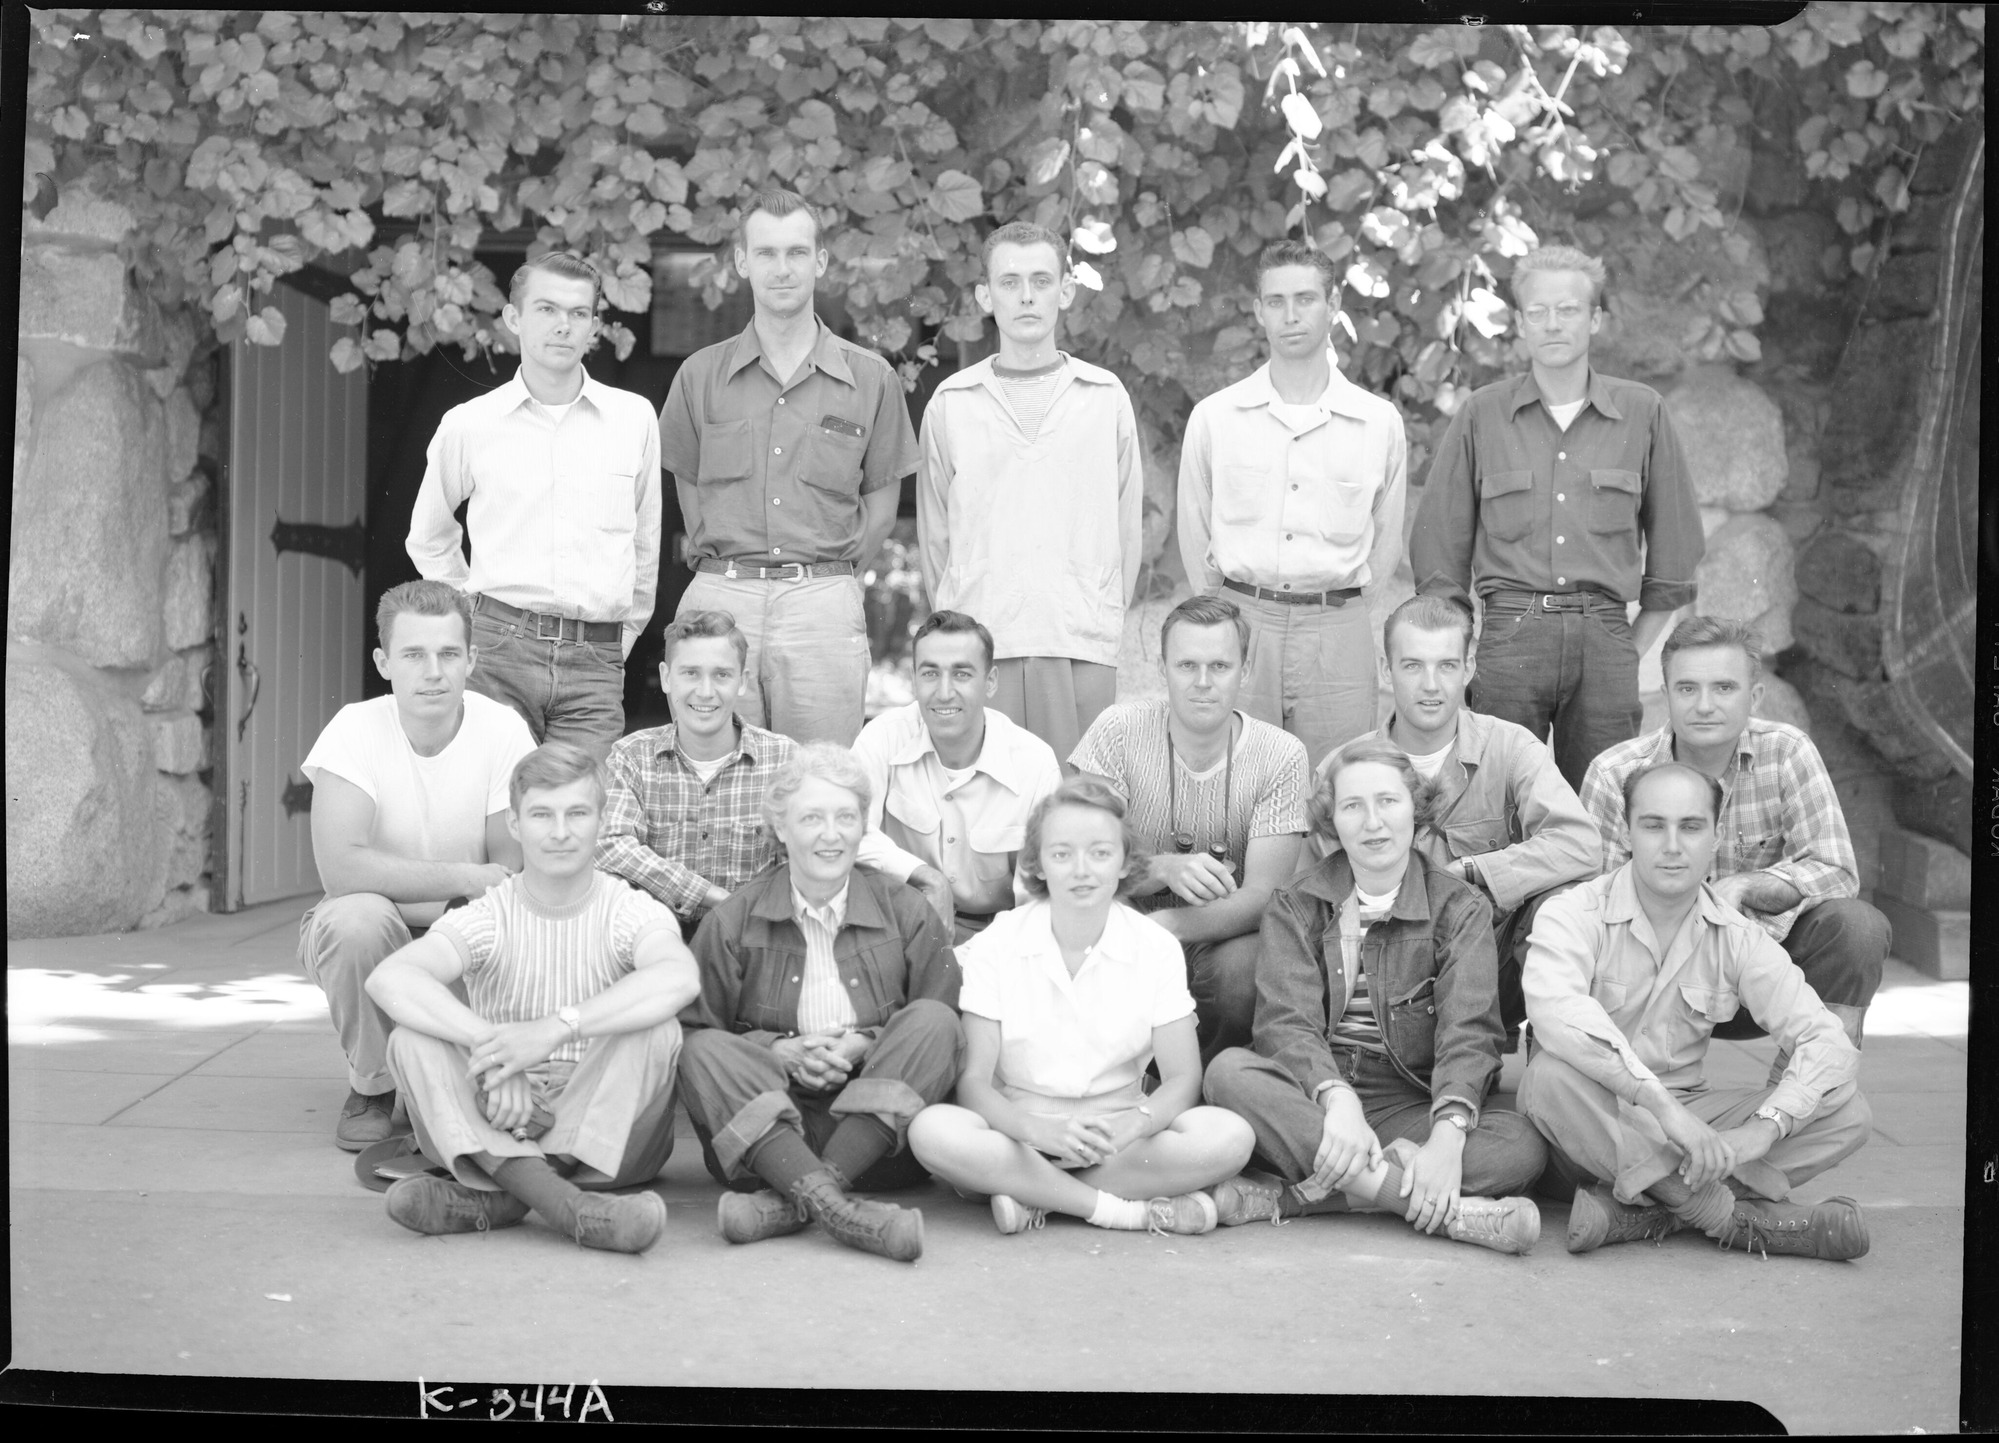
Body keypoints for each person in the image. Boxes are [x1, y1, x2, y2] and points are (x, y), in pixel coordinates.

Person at [1202, 739, 1547, 1254]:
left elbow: (1469, 1032)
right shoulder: (1297, 905)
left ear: (1416, 809)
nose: (1373, 822)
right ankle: (1435, 1209)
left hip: (1405, 1099)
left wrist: (1448, 1136)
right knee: (1228, 1073)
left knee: (1522, 1147)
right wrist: (1335, 1098)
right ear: (1332, 821)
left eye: (1388, 801)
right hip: (1315, 1094)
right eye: (1352, 806)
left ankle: (1298, 1198)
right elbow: (1284, 1024)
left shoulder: (1460, 908)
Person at [1519, 762, 1872, 1260]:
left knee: (1849, 1111)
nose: (1671, 844)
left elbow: (1825, 1040)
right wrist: (1660, 1107)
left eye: (1690, 826)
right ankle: (1729, 1219)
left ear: (1715, 835)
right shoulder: (1573, 913)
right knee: (1547, 1076)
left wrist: (1762, 1129)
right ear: (1627, 832)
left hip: (1693, 1120)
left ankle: (1651, 1209)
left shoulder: (1737, 936)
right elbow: (1556, 1012)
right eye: (1653, 825)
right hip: (1592, 1123)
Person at [361, 743, 695, 1252]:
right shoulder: (490, 914)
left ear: (602, 822)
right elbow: (391, 978)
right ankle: (571, 1209)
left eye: (577, 814)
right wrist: (496, 1050)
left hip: (605, 1132)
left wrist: (553, 1030)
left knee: (658, 1027)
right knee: (412, 1039)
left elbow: (679, 977)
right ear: (515, 825)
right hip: (497, 1110)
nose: (560, 832)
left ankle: (505, 1197)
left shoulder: (630, 910)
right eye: (542, 815)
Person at [1409, 243, 1705, 792]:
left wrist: (1626, 644)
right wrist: (1469, 648)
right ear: (1519, 323)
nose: (1552, 324)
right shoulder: (1483, 414)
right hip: (1509, 636)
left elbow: (1676, 546)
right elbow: (1437, 549)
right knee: (1494, 801)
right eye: (1538, 312)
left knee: (1606, 805)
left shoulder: (1642, 412)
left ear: (1595, 319)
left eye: (1568, 310)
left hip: (1606, 635)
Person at [908, 777, 1255, 1236]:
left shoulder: (1155, 946)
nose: (1082, 870)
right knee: (932, 1130)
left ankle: (1034, 1195)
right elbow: (974, 1084)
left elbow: (1183, 1078)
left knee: (1230, 1137)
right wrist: (1036, 1132)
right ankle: (1120, 1211)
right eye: (1061, 854)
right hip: (1019, 1134)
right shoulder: (998, 943)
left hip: (1118, 1137)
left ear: (1125, 862)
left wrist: (1135, 1124)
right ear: (1037, 864)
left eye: (1100, 853)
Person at [678, 743, 963, 1263]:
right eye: (811, 818)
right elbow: (695, 1034)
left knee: (936, 1020)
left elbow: (944, 1031)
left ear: (863, 826)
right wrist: (777, 1052)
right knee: (698, 1051)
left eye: (845, 818)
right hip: (770, 1137)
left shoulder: (907, 911)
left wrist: (863, 1044)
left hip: (880, 1141)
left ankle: (798, 1201)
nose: (830, 835)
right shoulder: (732, 922)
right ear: (781, 828)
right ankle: (840, 1209)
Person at [657, 187, 919, 746]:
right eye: (767, 253)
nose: (782, 268)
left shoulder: (871, 379)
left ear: (820, 262)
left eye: (797, 252)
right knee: (714, 779)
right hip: (721, 598)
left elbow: (880, 513)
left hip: (821, 603)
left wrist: (824, 583)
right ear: (742, 262)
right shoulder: (699, 376)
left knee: (820, 784)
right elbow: (688, 492)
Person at [1578, 616, 1887, 1070]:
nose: (1705, 705)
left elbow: (1837, 869)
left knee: (1856, 928)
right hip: (1651, 979)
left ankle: (1810, 1092)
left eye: (1724, 688)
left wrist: (1747, 887)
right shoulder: (1615, 774)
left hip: (1758, 975)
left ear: (1754, 696)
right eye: (1687, 689)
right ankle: (1608, 1086)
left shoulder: (1787, 752)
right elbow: (1592, 909)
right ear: (1665, 696)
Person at [298, 580, 536, 1152]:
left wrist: (467, 893)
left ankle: (455, 1070)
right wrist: (461, 876)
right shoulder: (354, 729)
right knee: (355, 919)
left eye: (449, 654)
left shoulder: (503, 730)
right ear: (384, 663)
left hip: (466, 930)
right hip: (377, 927)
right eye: (413, 655)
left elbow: (507, 873)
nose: (433, 671)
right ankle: (373, 1087)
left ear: (472, 660)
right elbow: (342, 873)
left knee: (475, 1101)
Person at [1314, 594, 1602, 1047]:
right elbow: (1315, 895)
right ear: (1387, 671)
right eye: (1412, 666)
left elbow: (1580, 844)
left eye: (1446, 665)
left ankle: (1556, 1059)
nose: (1431, 685)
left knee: (1559, 907)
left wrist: (1476, 870)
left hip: (1489, 965)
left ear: (1469, 667)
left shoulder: (1509, 747)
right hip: (1387, 975)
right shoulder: (1343, 768)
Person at [406, 252, 662, 756]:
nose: (562, 326)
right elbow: (429, 538)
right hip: (499, 653)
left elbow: (645, 542)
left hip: (597, 662)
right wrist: (474, 620)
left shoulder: (634, 419)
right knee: (493, 813)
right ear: (514, 319)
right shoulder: (470, 424)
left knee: (580, 815)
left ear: (593, 325)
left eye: (578, 313)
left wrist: (621, 639)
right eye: (546, 309)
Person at [916, 221, 1144, 760]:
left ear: (1065, 290)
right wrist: (959, 629)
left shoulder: (1104, 397)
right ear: (984, 296)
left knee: (1077, 807)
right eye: (1010, 281)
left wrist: (1101, 611)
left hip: (1079, 640)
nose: (1025, 296)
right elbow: (934, 540)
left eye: (1041, 281)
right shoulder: (952, 403)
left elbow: (1126, 527)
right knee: (985, 808)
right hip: (982, 644)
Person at [1177, 239, 1408, 769]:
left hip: (1338, 627)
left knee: (1340, 785)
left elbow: (1387, 540)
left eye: (1305, 299)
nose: (1290, 315)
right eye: (1276, 301)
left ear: (1333, 306)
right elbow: (1195, 532)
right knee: (1234, 777)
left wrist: (1337, 611)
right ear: (1259, 311)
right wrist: (1226, 617)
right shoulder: (1217, 417)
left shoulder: (1378, 422)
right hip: (1241, 620)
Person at [1068, 595, 1309, 1065]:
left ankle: (1211, 1084)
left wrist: (1169, 926)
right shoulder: (1118, 730)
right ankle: (1117, 1078)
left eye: (1220, 665)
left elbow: (1264, 894)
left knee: (1248, 970)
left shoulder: (1281, 754)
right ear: (1162, 668)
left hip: (1221, 936)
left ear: (1245, 668)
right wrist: (1162, 868)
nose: (1202, 682)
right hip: (1123, 918)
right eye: (1186, 665)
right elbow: (1082, 860)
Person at [851, 610, 1063, 944]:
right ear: (914, 678)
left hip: (999, 937)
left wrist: (973, 960)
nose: (944, 692)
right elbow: (849, 832)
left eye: (962, 674)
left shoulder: (1035, 764)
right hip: (898, 926)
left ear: (990, 681)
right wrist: (924, 876)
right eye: (930, 673)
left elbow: (1038, 899)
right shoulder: (882, 739)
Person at [596, 609, 797, 932]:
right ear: (665, 677)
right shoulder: (632, 756)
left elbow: (799, 859)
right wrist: (711, 896)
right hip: (655, 938)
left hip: (754, 937)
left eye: (721, 675)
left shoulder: (784, 760)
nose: (705, 691)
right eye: (690, 673)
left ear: (742, 682)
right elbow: (609, 845)